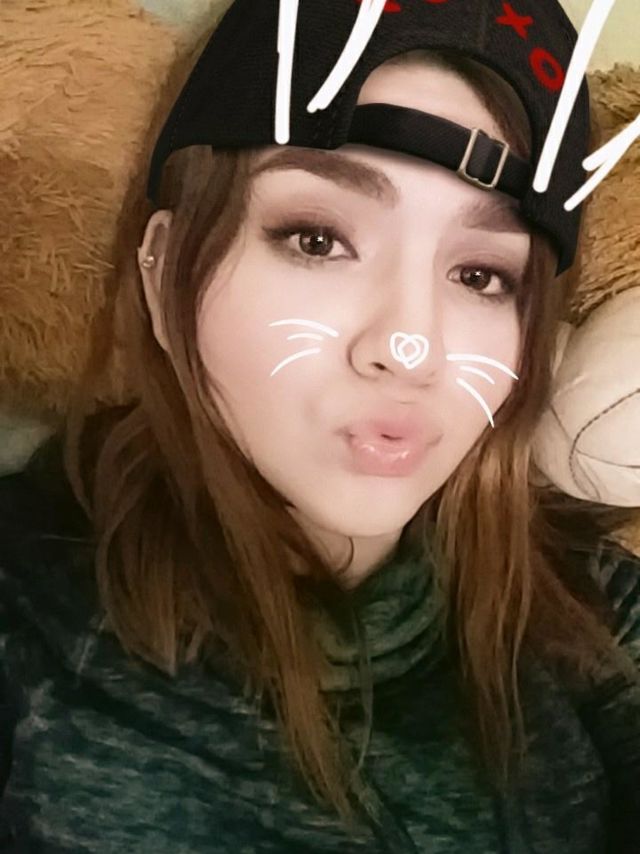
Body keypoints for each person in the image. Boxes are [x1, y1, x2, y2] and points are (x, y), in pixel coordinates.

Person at [1, 0, 639, 851]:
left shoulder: (601, 612)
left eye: (482, 275)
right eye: (316, 239)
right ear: (162, 271)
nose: (409, 349)